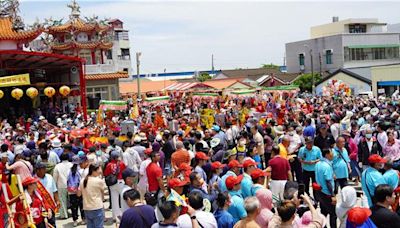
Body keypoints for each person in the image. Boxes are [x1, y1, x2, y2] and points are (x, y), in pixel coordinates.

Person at [315, 148, 336, 228]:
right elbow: (328, 182)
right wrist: (333, 195)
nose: (332, 155)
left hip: (320, 192)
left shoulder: (318, 164)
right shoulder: (326, 166)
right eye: (331, 153)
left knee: (323, 212)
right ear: (327, 154)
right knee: (333, 214)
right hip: (327, 193)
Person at [79, 164, 106, 228]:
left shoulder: (82, 181)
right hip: (97, 207)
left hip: (86, 207)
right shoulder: (99, 181)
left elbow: (79, 194)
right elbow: (103, 193)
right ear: (94, 171)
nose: (100, 171)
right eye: (99, 169)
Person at [104, 150, 127, 222]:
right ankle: (124, 215)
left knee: (114, 200)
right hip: (121, 182)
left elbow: (106, 174)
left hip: (112, 183)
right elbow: (125, 172)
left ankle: (115, 217)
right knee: (123, 199)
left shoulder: (109, 165)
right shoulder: (122, 164)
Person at [52, 153, 72, 219]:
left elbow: (55, 177)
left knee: (62, 200)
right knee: (71, 200)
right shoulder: (71, 165)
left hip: (61, 185)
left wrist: (54, 186)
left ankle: (64, 215)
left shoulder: (57, 166)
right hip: (71, 185)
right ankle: (74, 213)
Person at [67, 155, 85, 227]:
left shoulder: (69, 170)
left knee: (73, 206)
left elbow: (67, 180)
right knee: (81, 205)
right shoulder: (81, 169)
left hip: (71, 191)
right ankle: (83, 219)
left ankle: (75, 220)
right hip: (80, 191)